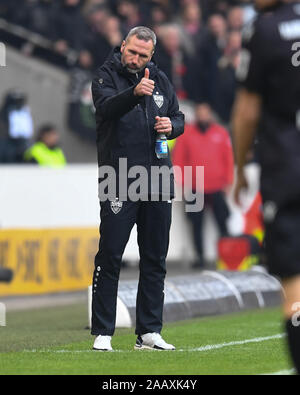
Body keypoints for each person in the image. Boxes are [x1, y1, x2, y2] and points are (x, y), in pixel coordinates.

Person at [91, 26, 184, 351]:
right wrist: (135, 93)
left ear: (151, 55)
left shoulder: (161, 79)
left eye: (143, 55)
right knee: (111, 255)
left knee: (155, 257)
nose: (136, 59)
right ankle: (103, 331)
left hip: (158, 178)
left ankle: (149, 332)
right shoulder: (105, 76)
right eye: (132, 52)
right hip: (119, 178)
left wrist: (173, 127)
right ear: (122, 46)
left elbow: (178, 115)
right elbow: (105, 110)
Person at [232, 0, 300, 374]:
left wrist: (241, 167)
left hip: (289, 172)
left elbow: (247, 111)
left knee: (294, 289)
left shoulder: (264, 30)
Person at [173, 103, 234, 268]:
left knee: (223, 222)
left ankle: (228, 257)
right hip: (195, 187)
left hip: (216, 186)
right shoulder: (186, 135)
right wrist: (183, 183)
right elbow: (179, 159)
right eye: (200, 113)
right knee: (196, 224)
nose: (203, 116)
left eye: (205, 113)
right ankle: (199, 257)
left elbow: (228, 158)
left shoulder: (220, 133)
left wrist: (228, 181)